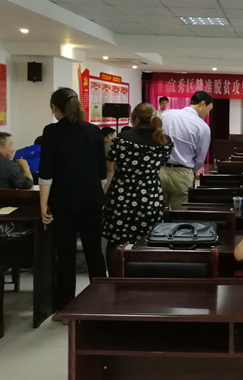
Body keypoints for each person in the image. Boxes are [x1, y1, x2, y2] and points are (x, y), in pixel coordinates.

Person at [38, 87, 107, 317]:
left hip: (64, 202)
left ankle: (65, 308)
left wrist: (43, 204)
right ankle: (101, 304)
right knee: (94, 252)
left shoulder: (51, 132)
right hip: (92, 200)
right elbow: (101, 172)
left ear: (55, 108)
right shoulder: (94, 131)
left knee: (65, 255)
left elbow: (46, 173)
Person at [102, 103, 174, 270]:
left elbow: (110, 168)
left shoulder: (122, 138)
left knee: (115, 241)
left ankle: (114, 277)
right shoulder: (164, 140)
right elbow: (161, 163)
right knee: (148, 240)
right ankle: (144, 275)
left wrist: (104, 192)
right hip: (150, 195)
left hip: (122, 195)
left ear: (134, 119)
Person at [159, 91, 213, 210]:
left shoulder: (166, 115)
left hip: (160, 170)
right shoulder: (203, 127)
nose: (208, 113)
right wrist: (189, 170)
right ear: (202, 104)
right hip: (182, 174)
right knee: (180, 214)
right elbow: (200, 159)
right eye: (208, 109)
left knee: (158, 211)